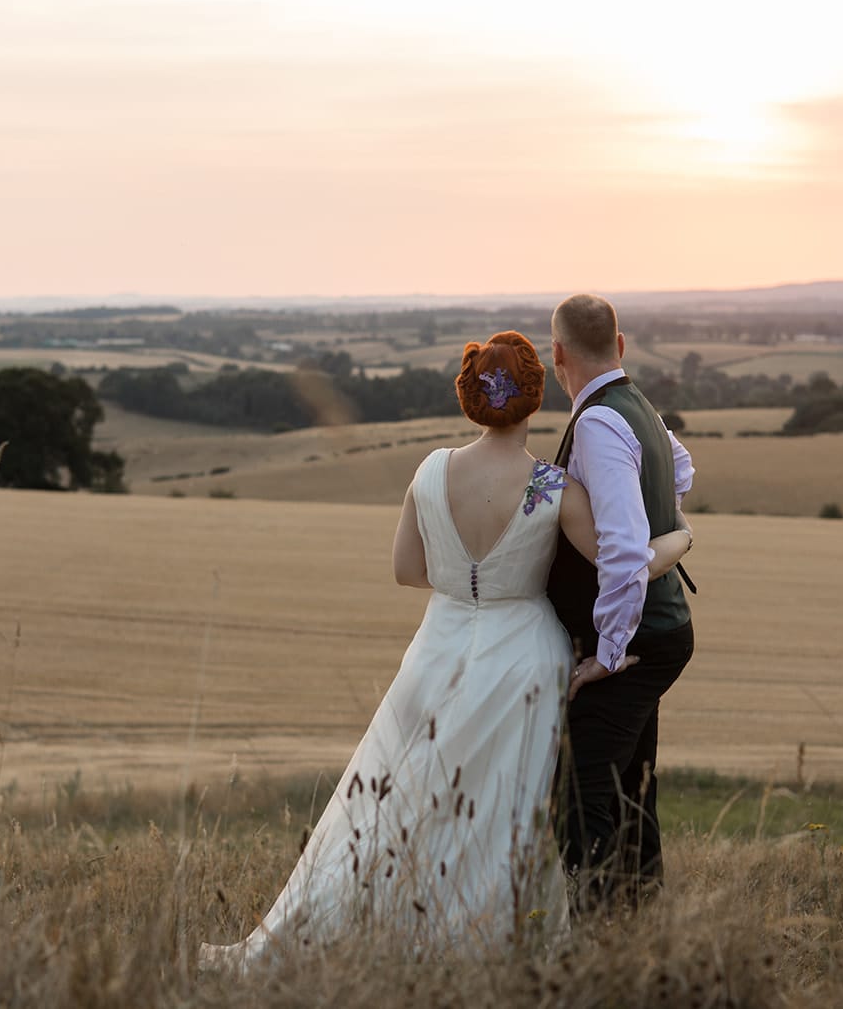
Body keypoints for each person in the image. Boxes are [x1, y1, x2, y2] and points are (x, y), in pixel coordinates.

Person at [199, 331, 693, 967]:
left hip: (438, 648)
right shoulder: (549, 485)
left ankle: (363, 923)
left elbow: (407, 570)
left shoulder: (431, 469)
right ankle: (491, 936)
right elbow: (618, 564)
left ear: (469, 398)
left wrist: (468, 581)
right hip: (525, 653)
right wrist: (680, 538)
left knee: (402, 795)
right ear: (536, 396)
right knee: (503, 805)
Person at [546, 293, 696, 910]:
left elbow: (625, 551)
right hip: (661, 629)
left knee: (582, 795)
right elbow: (681, 469)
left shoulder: (600, 421)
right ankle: (639, 917)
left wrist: (609, 653)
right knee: (630, 783)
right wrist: (674, 524)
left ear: (557, 354)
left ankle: (601, 927)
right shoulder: (637, 407)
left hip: (634, 640)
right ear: (621, 344)